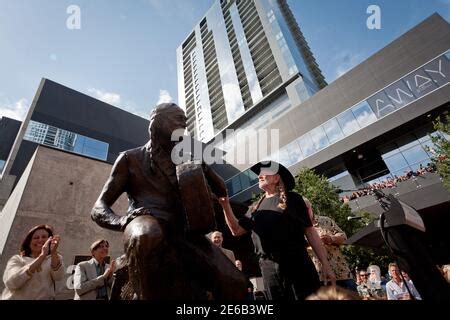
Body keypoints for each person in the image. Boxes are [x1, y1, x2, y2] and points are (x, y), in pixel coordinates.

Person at [91, 102, 247, 300]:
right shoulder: (129, 159)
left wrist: (203, 167)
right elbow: (98, 208)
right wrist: (123, 221)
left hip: (183, 233)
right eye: (179, 119)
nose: (185, 124)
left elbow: (221, 190)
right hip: (146, 221)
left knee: (236, 284)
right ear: (158, 122)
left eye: (186, 121)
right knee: (148, 234)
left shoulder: (187, 161)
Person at [219, 160, 336, 300]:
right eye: (259, 175)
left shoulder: (294, 199)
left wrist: (325, 264)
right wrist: (225, 204)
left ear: (276, 178)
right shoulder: (254, 208)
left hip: (297, 265)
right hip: (269, 270)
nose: (259, 176)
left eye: (264, 173)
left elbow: (311, 232)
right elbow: (236, 230)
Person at [2, 224, 64, 300]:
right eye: (36, 238)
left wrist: (53, 252)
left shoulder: (54, 259)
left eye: (44, 237)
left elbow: (58, 276)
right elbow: (12, 283)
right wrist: (41, 256)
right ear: (29, 242)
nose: (40, 240)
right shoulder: (17, 259)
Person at [306, 205, 356, 291]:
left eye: (306, 208)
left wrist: (331, 239)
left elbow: (344, 237)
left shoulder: (325, 220)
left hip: (341, 274)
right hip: (319, 278)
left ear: (311, 208)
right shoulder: (297, 228)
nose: (305, 212)